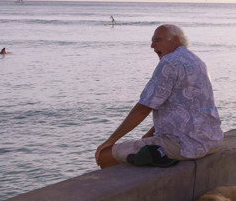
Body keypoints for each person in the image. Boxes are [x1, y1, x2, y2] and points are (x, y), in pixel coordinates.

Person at [95, 24, 223, 168]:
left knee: (105, 155)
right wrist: (149, 134)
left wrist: (110, 141)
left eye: (157, 40)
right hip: (211, 141)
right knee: (144, 145)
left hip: (185, 145)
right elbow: (183, 109)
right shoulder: (197, 61)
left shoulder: (169, 62)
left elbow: (143, 108)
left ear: (174, 40)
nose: (152, 46)